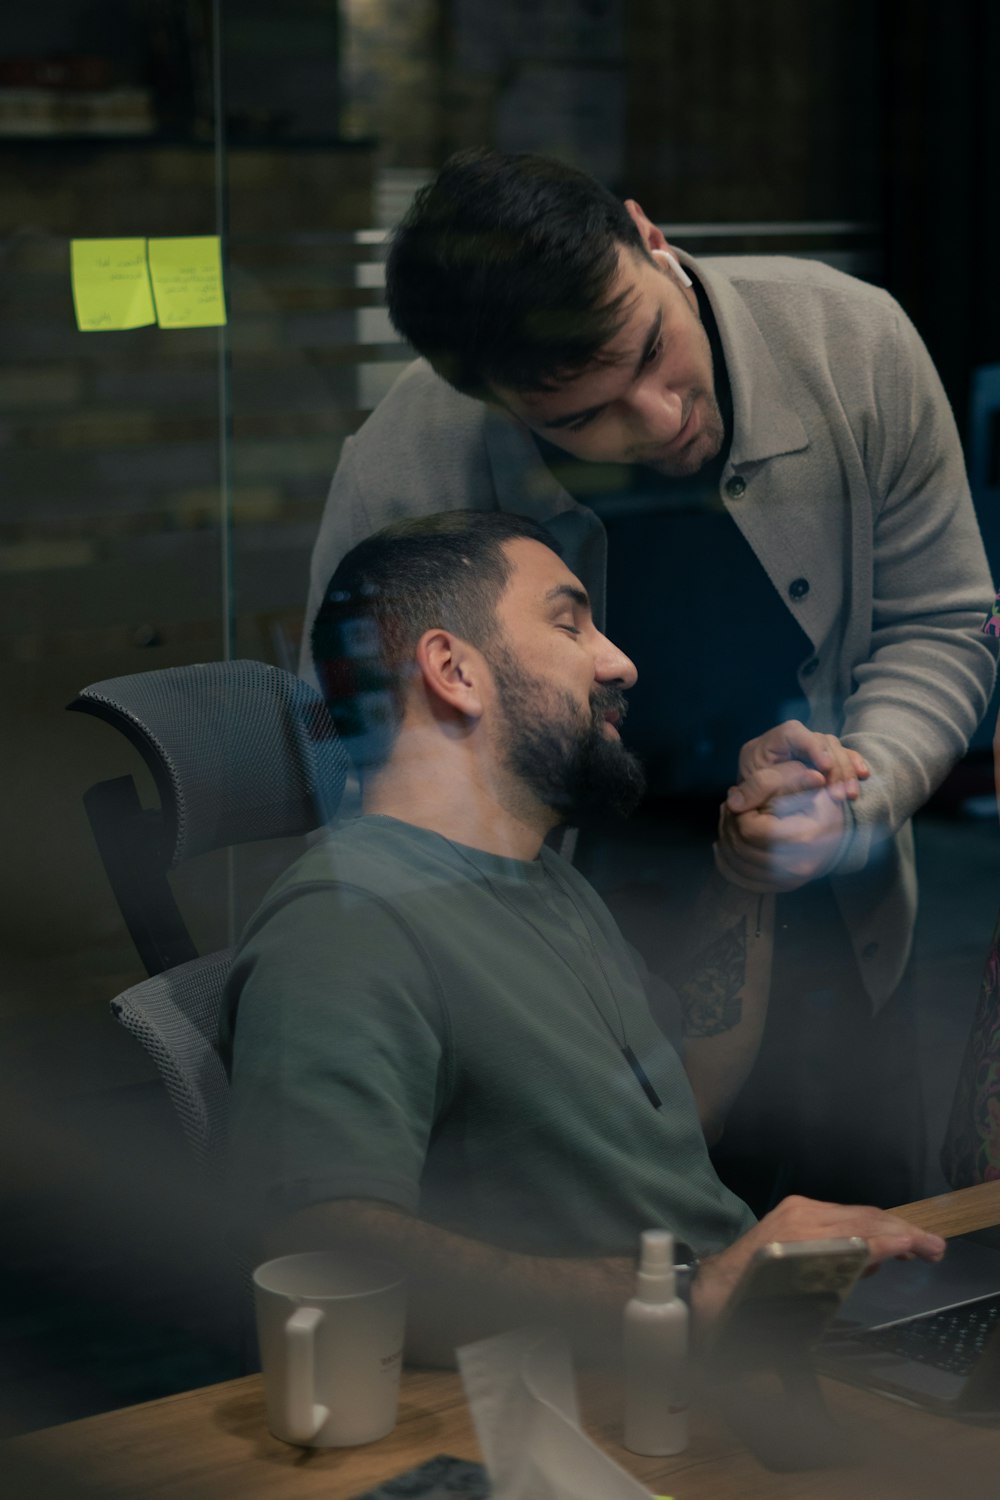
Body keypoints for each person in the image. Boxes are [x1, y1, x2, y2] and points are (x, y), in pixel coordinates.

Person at [299, 149, 997, 1211]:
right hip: (556, 932)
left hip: (827, 896)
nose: (658, 420)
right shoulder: (413, 457)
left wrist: (863, 780)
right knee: (616, 1260)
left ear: (647, 235)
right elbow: (360, 746)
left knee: (864, 1256)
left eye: (651, 352)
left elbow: (943, 621)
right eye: (582, 418)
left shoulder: (850, 342)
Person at [227, 511, 945, 1364]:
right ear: (454, 670)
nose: (619, 661)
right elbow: (325, 1252)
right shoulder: (347, 922)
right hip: (613, 1400)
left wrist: (747, 870)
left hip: (733, 1356)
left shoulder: (543, 880)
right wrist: (686, 1297)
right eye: (569, 623)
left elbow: (692, 1104)